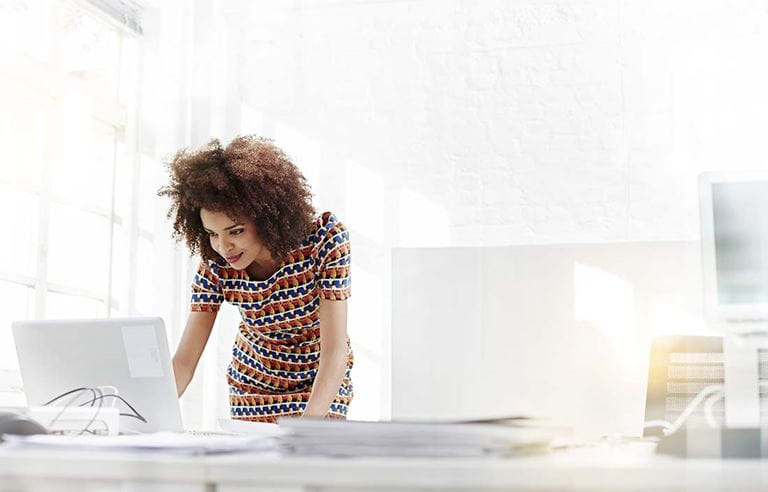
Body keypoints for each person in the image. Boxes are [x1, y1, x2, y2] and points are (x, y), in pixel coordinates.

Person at [159, 135, 353, 422]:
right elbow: (185, 362)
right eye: (213, 234)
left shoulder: (324, 240)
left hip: (320, 381)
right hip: (253, 389)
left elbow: (335, 351)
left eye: (235, 231)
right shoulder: (216, 263)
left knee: (309, 462)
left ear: (266, 217)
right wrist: (144, 415)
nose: (224, 247)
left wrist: (308, 427)